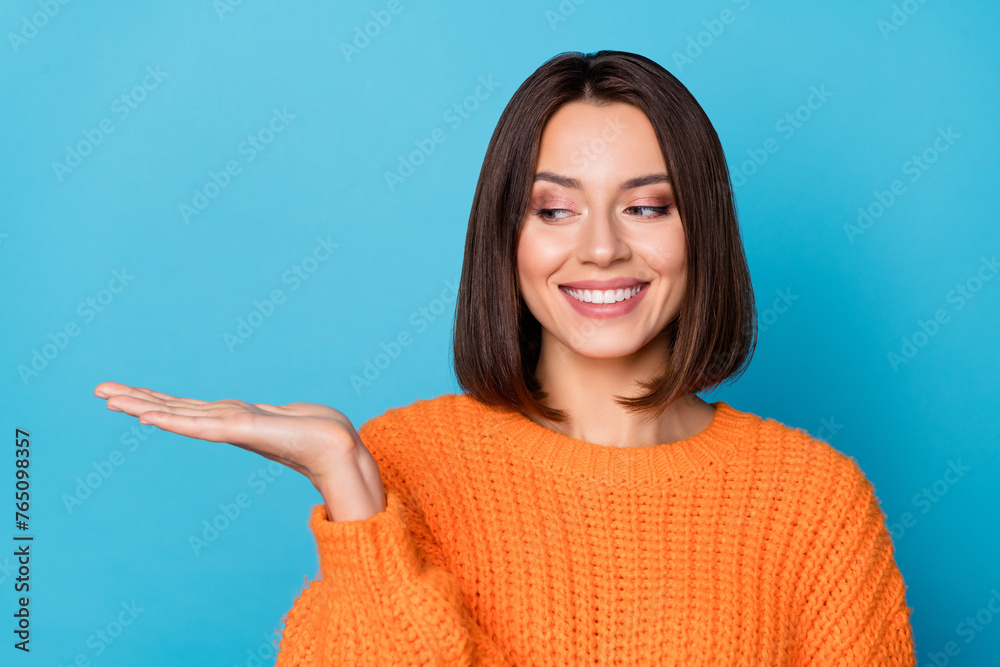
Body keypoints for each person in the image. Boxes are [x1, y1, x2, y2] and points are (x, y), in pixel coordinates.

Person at [94, 50, 916, 665]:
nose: (601, 247)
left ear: (702, 228)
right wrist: (349, 482)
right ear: (507, 238)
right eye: (555, 210)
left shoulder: (814, 503)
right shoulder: (403, 466)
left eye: (646, 205)